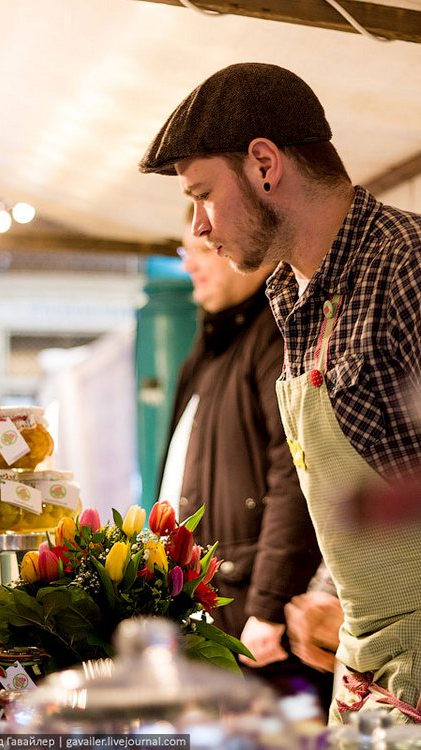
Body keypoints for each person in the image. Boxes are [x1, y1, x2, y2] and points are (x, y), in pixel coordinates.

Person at [139, 63, 421, 725]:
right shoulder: (290, 296)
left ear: (265, 164)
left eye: (204, 195)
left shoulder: (407, 266)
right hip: (368, 672)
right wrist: (331, 591)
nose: (199, 229)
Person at [159, 211, 332, 709]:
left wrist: (268, 605)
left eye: (202, 250)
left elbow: (296, 474)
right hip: (217, 610)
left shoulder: (276, 337)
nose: (190, 264)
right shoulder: (213, 344)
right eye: (184, 252)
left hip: (256, 630)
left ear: (250, 254)